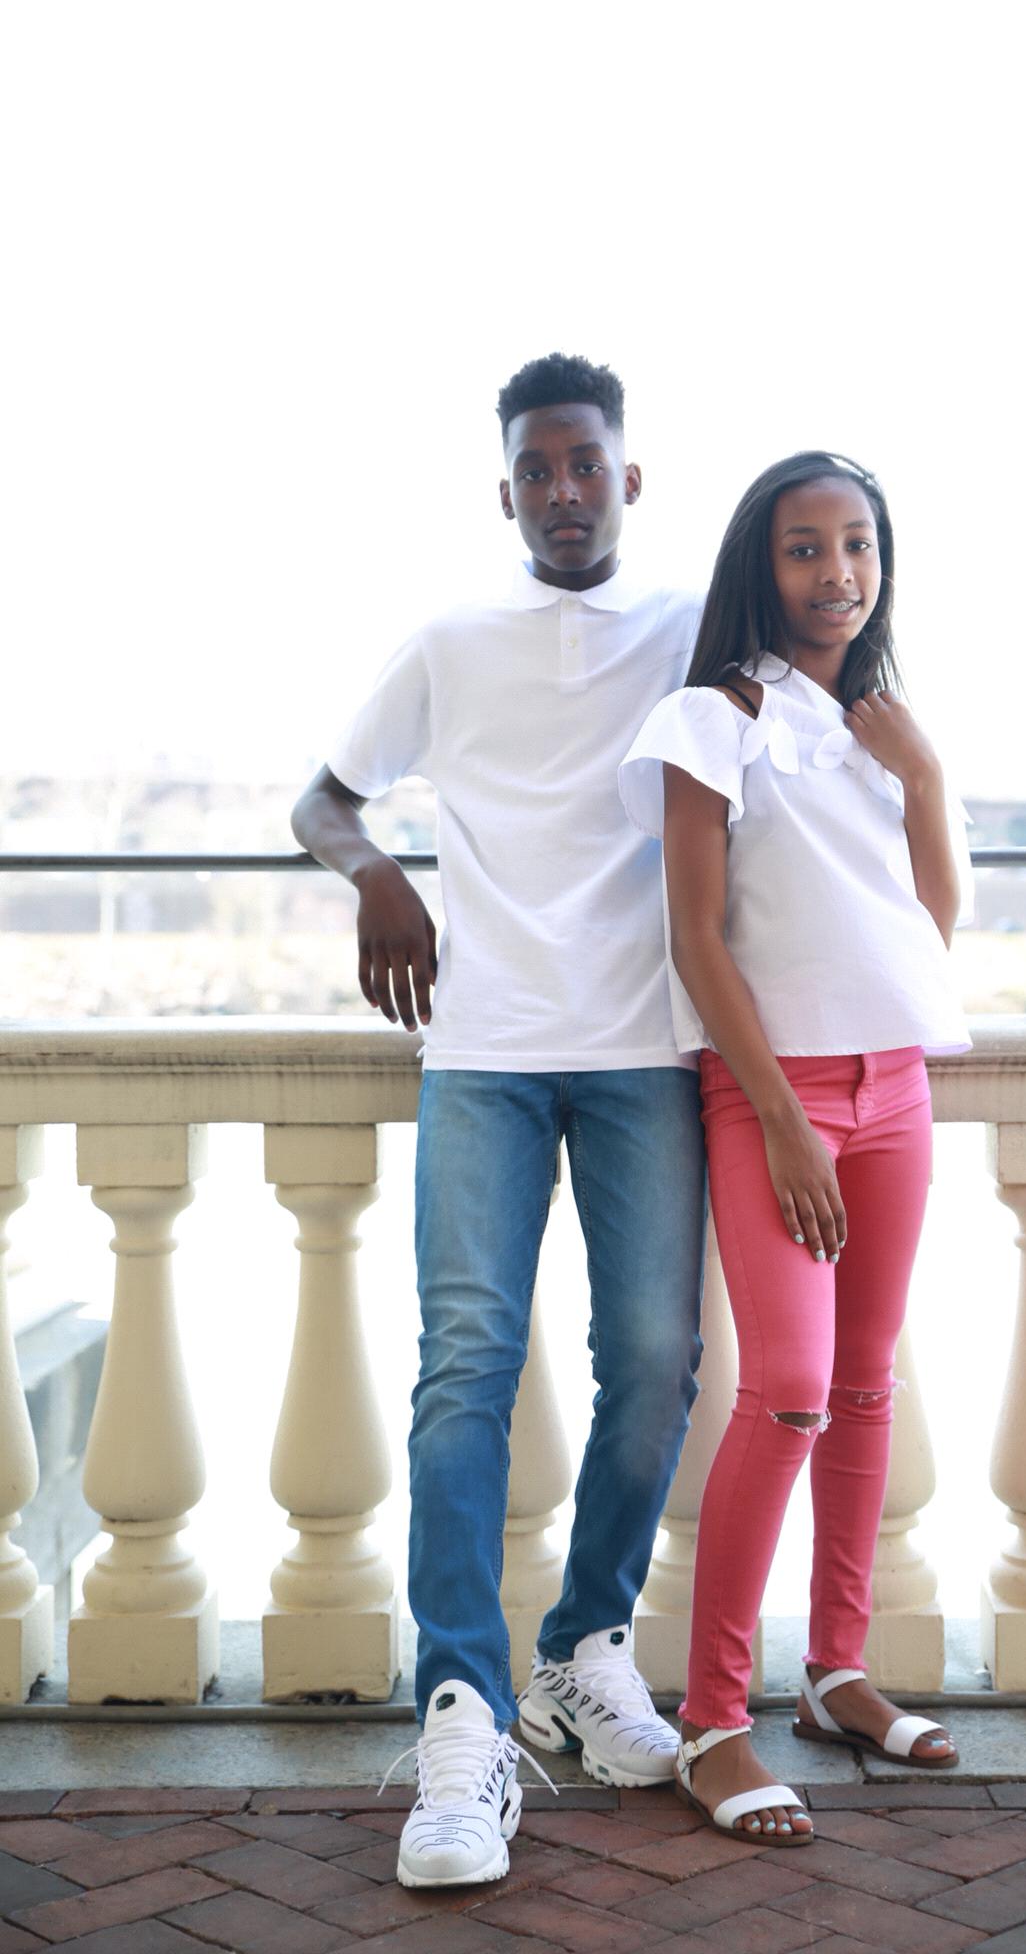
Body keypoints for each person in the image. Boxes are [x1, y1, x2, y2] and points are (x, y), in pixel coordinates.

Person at [292, 353, 707, 1889]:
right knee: (463, 1367)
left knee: (654, 1359)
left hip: (646, 1051)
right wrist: (378, 877)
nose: (562, 490)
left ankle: (582, 1651)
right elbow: (322, 800)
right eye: (535, 469)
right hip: (481, 1052)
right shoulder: (451, 643)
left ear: (627, 476)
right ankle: (461, 1712)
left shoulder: (692, 629)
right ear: (507, 491)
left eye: (584, 463)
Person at [618, 450, 972, 1845]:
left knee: (867, 1384)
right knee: (787, 1393)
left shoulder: (882, 727)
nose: (838, 573)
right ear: (759, 568)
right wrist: (779, 1120)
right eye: (805, 547)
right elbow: (695, 938)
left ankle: (834, 1672)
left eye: (858, 545)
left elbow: (927, 929)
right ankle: (714, 1722)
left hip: (895, 1086)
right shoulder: (714, 718)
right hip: (775, 1094)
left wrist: (922, 775)